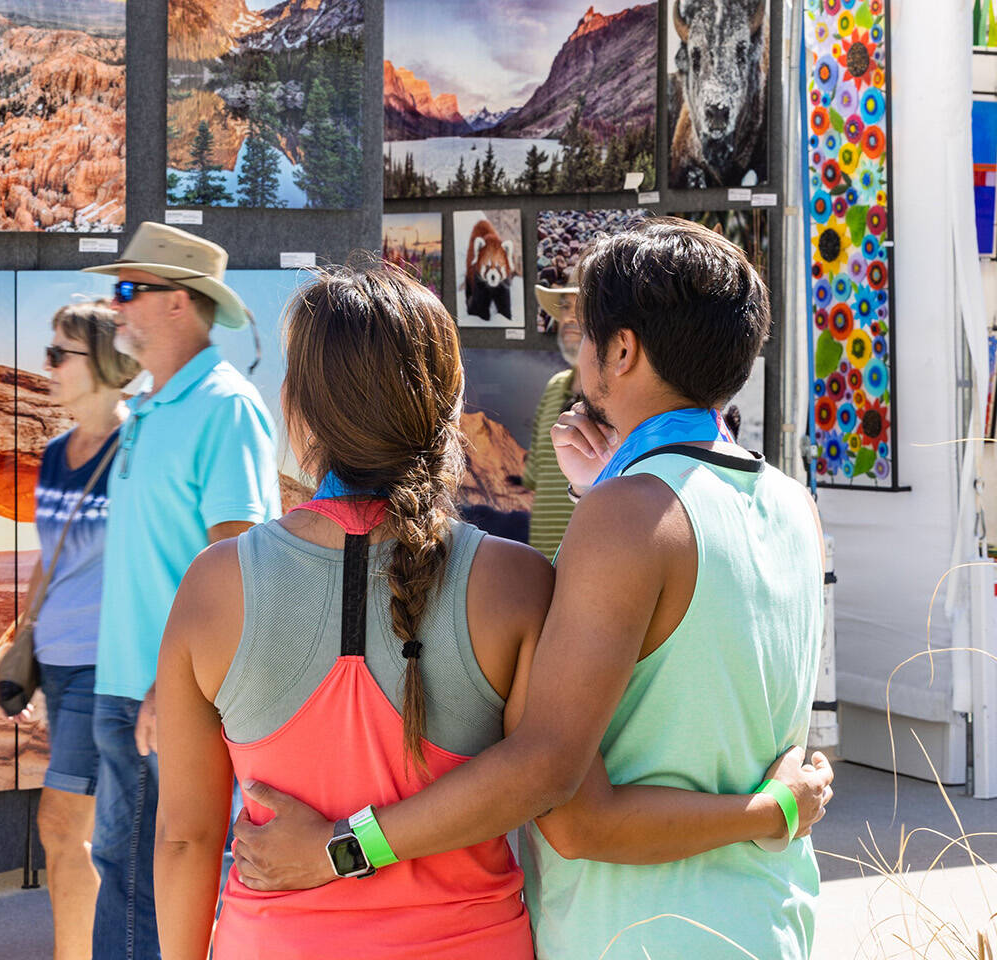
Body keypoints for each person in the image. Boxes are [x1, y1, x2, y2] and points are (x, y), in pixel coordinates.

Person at [156, 261, 832, 960]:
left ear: (296, 403)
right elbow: (543, 776)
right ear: (450, 405)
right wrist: (778, 808)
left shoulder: (213, 586)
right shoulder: (516, 581)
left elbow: (186, 838)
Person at [81, 222, 282, 960]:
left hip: (169, 701)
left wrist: (174, 689)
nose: (117, 305)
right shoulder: (152, 407)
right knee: (127, 877)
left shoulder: (225, 407)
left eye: (131, 290)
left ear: (181, 305)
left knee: (152, 889)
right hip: (126, 690)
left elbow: (238, 558)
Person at [24, 302, 140, 960]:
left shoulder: (138, 449)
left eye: (59, 353)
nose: (48, 366)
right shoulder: (53, 456)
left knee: (62, 826)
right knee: (83, 833)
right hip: (59, 662)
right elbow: (52, 554)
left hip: (107, 667)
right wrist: (20, 637)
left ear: (99, 362)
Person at [523, 282, 584, 560]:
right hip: (542, 564)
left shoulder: (617, 397)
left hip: (592, 567)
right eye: (566, 307)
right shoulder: (554, 387)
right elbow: (535, 481)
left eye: (581, 309)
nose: (569, 318)